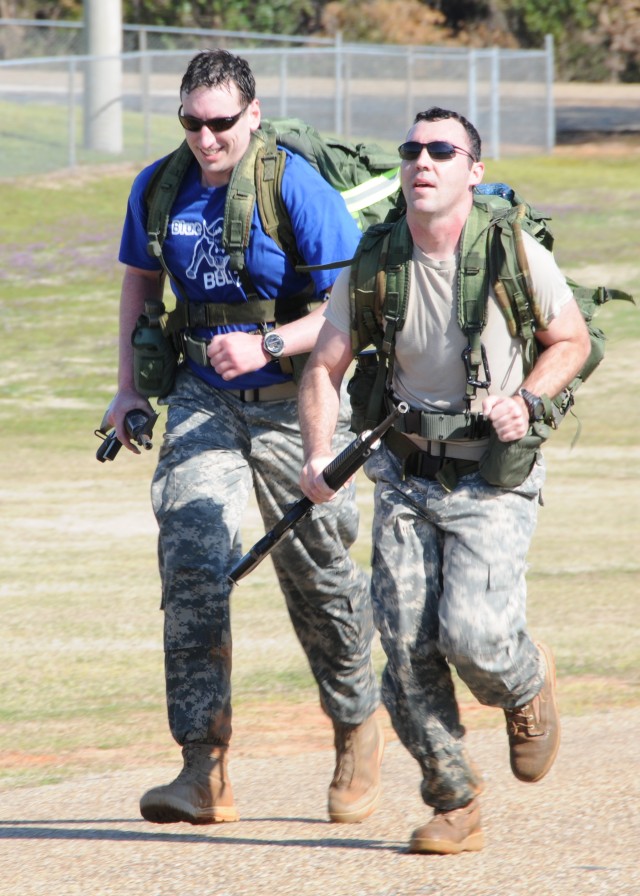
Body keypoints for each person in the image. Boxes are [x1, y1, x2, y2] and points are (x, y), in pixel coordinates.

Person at [298, 107, 591, 854]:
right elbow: (326, 365)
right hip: (403, 471)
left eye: (441, 150)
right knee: (404, 646)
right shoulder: (377, 260)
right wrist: (316, 456)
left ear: (473, 171)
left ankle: (524, 681)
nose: (422, 161)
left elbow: (572, 340)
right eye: (411, 149)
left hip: (489, 475)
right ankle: (454, 800)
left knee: (476, 639)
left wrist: (526, 401)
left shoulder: (512, 252)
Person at [108, 49, 383, 826]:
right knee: (193, 557)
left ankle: (358, 728)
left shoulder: (292, 182)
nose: (205, 137)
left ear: (252, 116)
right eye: (192, 122)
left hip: (300, 397)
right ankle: (203, 768)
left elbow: (350, 302)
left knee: (317, 568)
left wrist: (269, 344)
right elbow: (140, 282)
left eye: (220, 122)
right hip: (203, 396)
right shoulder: (161, 187)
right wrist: (129, 385)